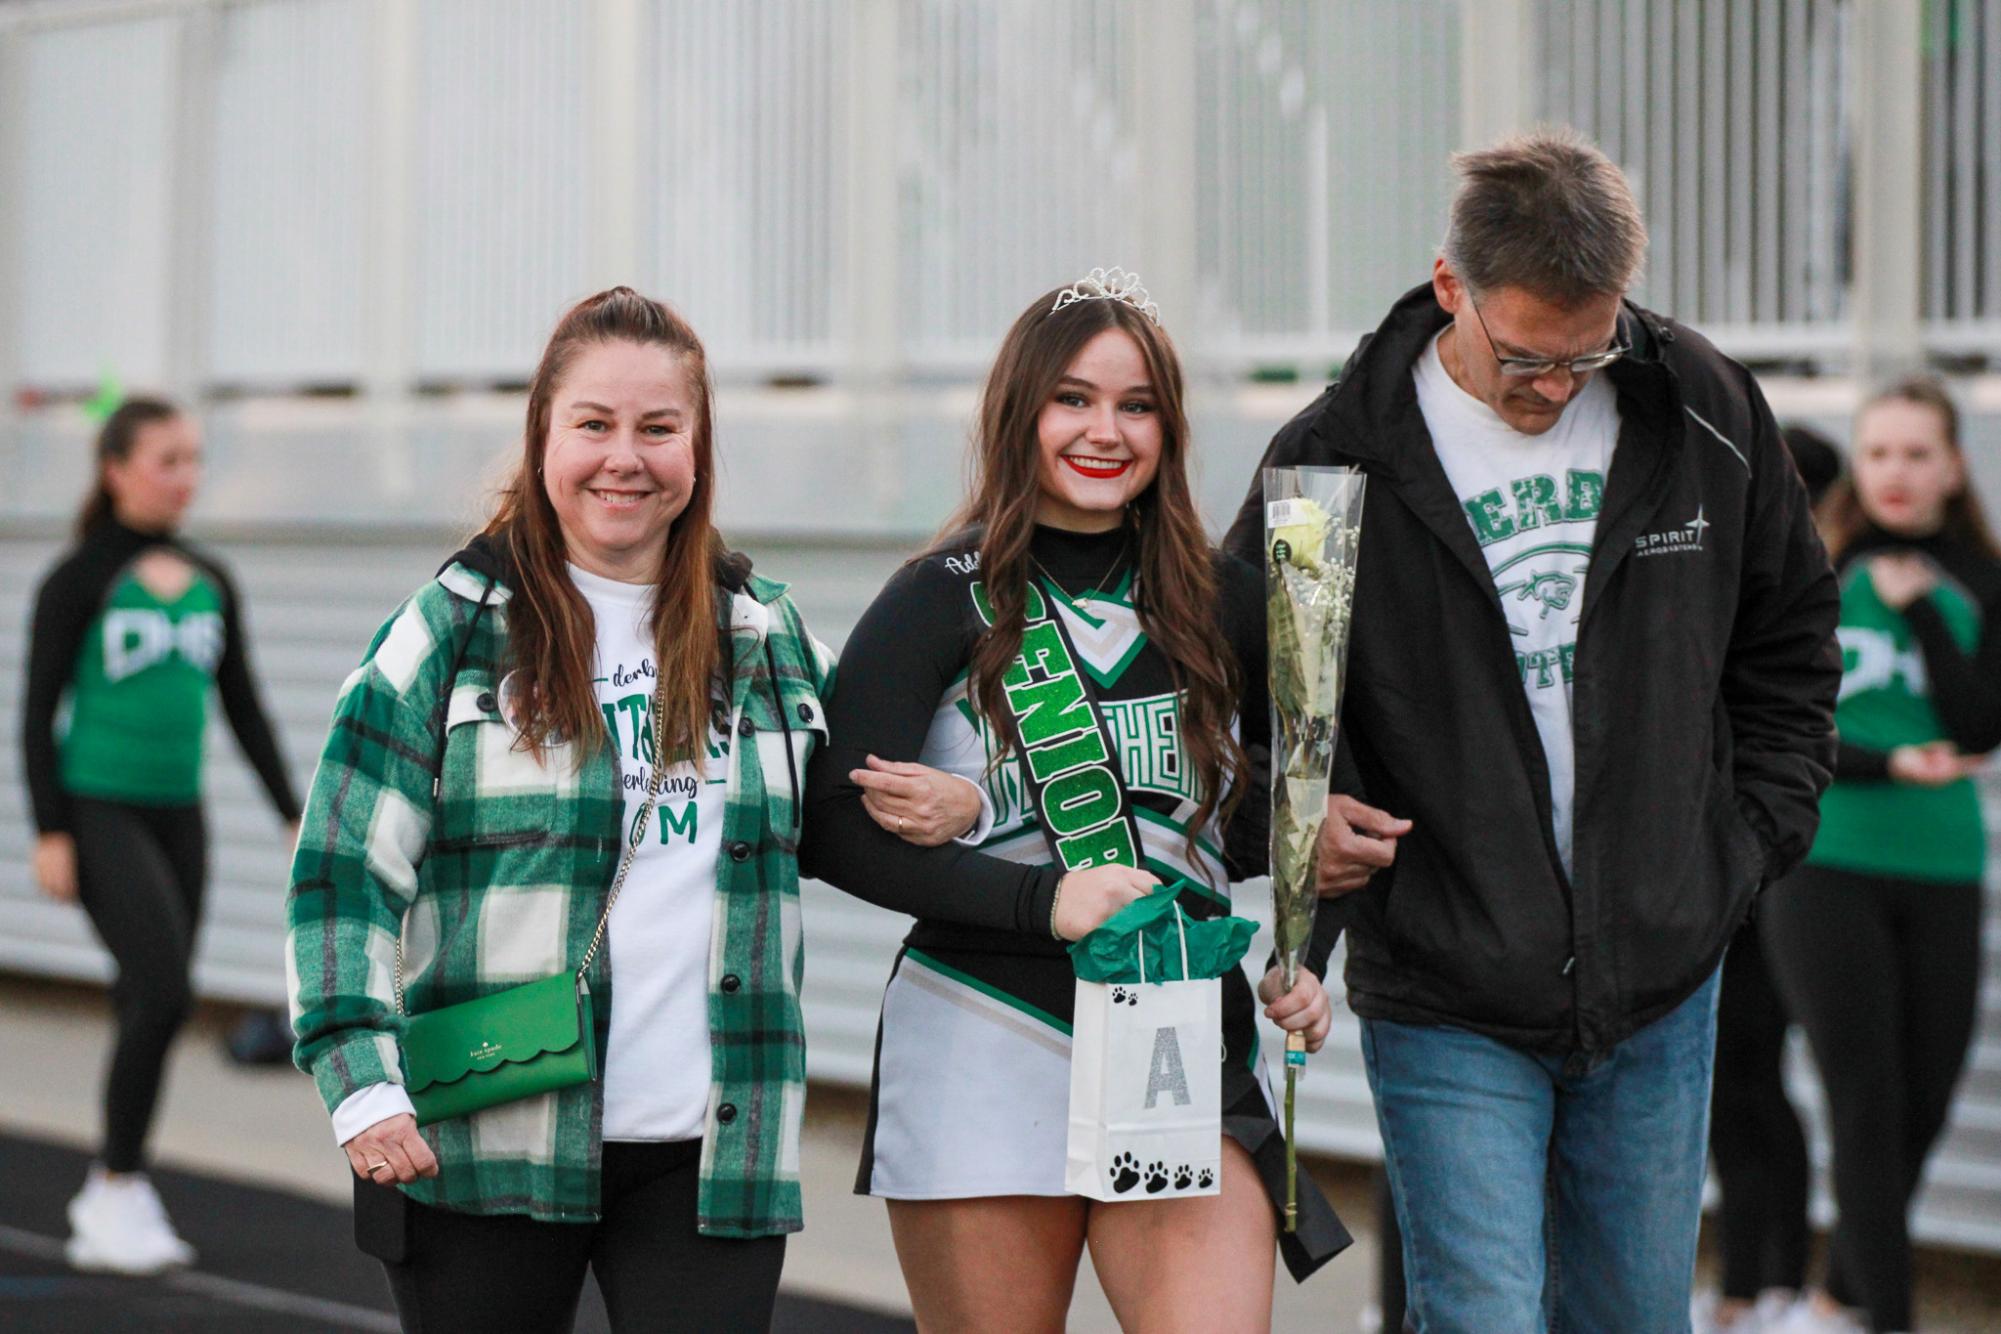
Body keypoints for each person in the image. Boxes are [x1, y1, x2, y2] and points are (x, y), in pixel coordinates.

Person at [1222, 131, 1841, 1333]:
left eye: (1588, 352)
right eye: (1525, 358)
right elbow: (1253, 714)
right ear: (1449, 284)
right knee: (1485, 1317)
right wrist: (1292, 832)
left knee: (1634, 1316)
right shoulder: (1328, 466)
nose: (1559, 386)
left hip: (1662, 974)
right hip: (1449, 979)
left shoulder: (1702, 405)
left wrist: (1744, 846)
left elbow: (1792, 633)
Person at [284, 287, 976, 1333]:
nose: (626, 457)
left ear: (697, 449)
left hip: (706, 1153)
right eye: (594, 424)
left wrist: (969, 789)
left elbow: (903, 757)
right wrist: (359, 1079)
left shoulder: (765, 632)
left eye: (659, 427)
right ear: (543, 437)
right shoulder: (448, 635)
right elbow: (341, 871)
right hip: (485, 1134)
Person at [802, 267, 1349, 1334]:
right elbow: (828, 825)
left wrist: (1308, 946)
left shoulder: (1230, 597)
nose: (1107, 430)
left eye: (1136, 404)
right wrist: (1038, 899)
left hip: (1174, 1030)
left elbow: (1304, 812)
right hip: (987, 1027)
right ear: (1022, 413)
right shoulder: (941, 594)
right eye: (1076, 399)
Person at [21, 396, 302, 1274]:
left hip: (182, 817)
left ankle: (119, 1187)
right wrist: (50, 831)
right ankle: (113, 1183)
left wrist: (294, 812)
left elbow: (244, 704)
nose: (185, 476)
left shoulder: (211, 577)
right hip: (100, 808)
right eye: (167, 460)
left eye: (193, 460)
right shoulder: (79, 578)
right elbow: (36, 712)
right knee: (165, 987)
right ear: (116, 471)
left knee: (147, 998)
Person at [1759, 377, 2000, 1334]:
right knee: (1864, 1105)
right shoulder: (1817, 567)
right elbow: (1777, 726)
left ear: (1951, 466)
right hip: (1827, 862)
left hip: (1943, 865)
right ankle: (1883, 1320)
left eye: (1916, 453)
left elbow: (1982, 723)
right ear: (1855, 464)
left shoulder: (1979, 579)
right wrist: (1887, 758)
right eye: (1878, 452)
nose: (1895, 473)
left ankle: (1836, 1302)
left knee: (1924, 1107)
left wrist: (1927, 611)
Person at [1697, 422, 1844, 1334]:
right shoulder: (1720, 567)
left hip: (1783, 877)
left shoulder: (1806, 587)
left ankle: (1773, 1282)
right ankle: (1748, 1282)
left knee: (1757, 1082)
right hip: (1719, 873)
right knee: (1733, 1083)